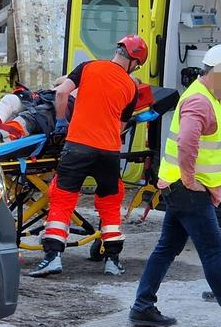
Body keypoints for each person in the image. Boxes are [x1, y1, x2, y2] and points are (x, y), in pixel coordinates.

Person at [128, 44, 221, 327]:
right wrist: (191, 180)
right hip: (188, 191)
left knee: (166, 248)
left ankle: (143, 306)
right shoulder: (200, 100)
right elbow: (187, 142)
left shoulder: (205, 96)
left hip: (180, 188)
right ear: (218, 73)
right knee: (212, 252)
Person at [28, 35, 146, 277]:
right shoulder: (131, 87)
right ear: (134, 62)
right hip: (109, 151)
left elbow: (61, 93)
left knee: (62, 198)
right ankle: (113, 261)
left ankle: (53, 257)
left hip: (78, 145)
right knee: (111, 203)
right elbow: (121, 125)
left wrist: (61, 122)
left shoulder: (88, 67)